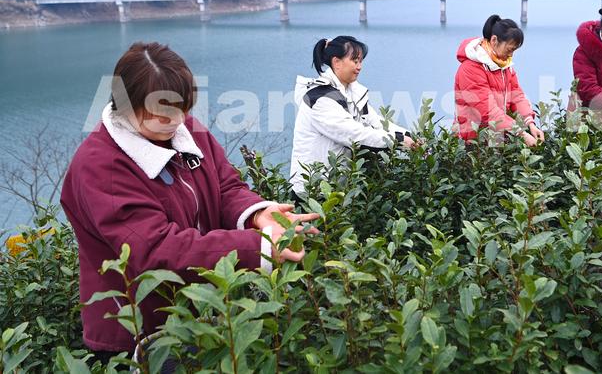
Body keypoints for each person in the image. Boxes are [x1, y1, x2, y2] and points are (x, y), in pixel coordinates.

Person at [60, 42, 319, 356]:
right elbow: (155, 250)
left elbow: (225, 186)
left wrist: (256, 215)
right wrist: (259, 247)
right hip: (138, 331)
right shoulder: (101, 166)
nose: (176, 119)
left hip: (198, 315)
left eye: (182, 108)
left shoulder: (183, 130)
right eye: (161, 112)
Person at [290, 36, 414, 195]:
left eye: (361, 61)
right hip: (312, 190)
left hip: (338, 187)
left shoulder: (352, 92)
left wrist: (408, 136)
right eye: (355, 61)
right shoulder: (320, 98)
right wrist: (397, 140)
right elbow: (353, 134)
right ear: (336, 62)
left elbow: (375, 122)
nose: (359, 66)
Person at [454, 14, 544, 145]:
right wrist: (521, 133)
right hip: (474, 142)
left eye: (514, 50)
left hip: (497, 137)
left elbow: (517, 96)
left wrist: (530, 124)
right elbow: (487, 111)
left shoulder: (505, 67)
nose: (511, 55)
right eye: (509, 49)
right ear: (494, 40)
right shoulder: (471, 68)